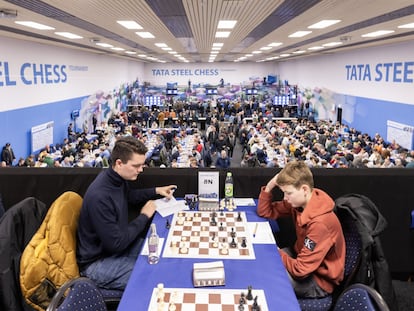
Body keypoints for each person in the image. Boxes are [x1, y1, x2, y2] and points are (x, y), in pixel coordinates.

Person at [76, 136, 177, 290]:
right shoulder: (100, 196)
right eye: (136, 166)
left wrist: (156, 191)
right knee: (154, 276)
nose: (141, 170)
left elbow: (127, 196)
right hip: (97, 263)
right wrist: (144, 215)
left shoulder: (114, 178)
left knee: (162, 254)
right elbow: (116, 244)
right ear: (119, 163)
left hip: (116, 249)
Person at [257, 160, 345, 299]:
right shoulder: (298, 203)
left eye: (288, 193)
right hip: (299, 259)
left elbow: (300, 270)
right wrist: (270, 186)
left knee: (266, 277)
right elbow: (265, 212)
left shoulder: (320, 224)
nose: (285, 198)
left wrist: (277, 252)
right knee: (262, 258)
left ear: (304, 189)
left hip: (318, 281)